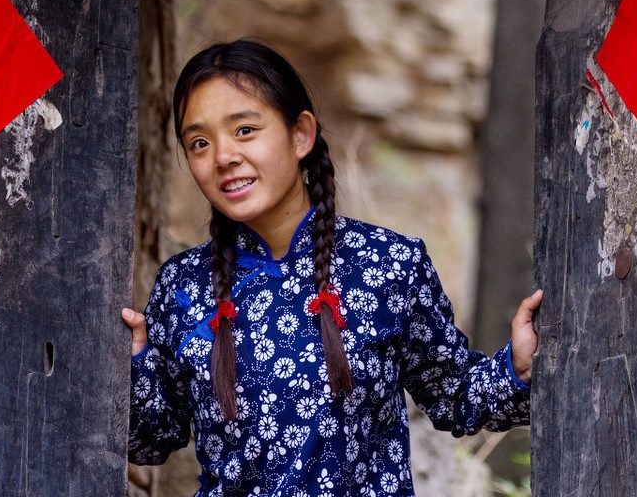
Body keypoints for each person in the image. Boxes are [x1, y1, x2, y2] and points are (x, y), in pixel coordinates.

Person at [123, 39, 542, 496]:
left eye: (244, 130)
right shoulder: (182, 287)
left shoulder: (388, 265)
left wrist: (516, 369)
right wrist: (131, 366)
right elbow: (149, 441)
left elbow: (456, 396)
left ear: (301, 134)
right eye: (199, 142)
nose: (223, 157)